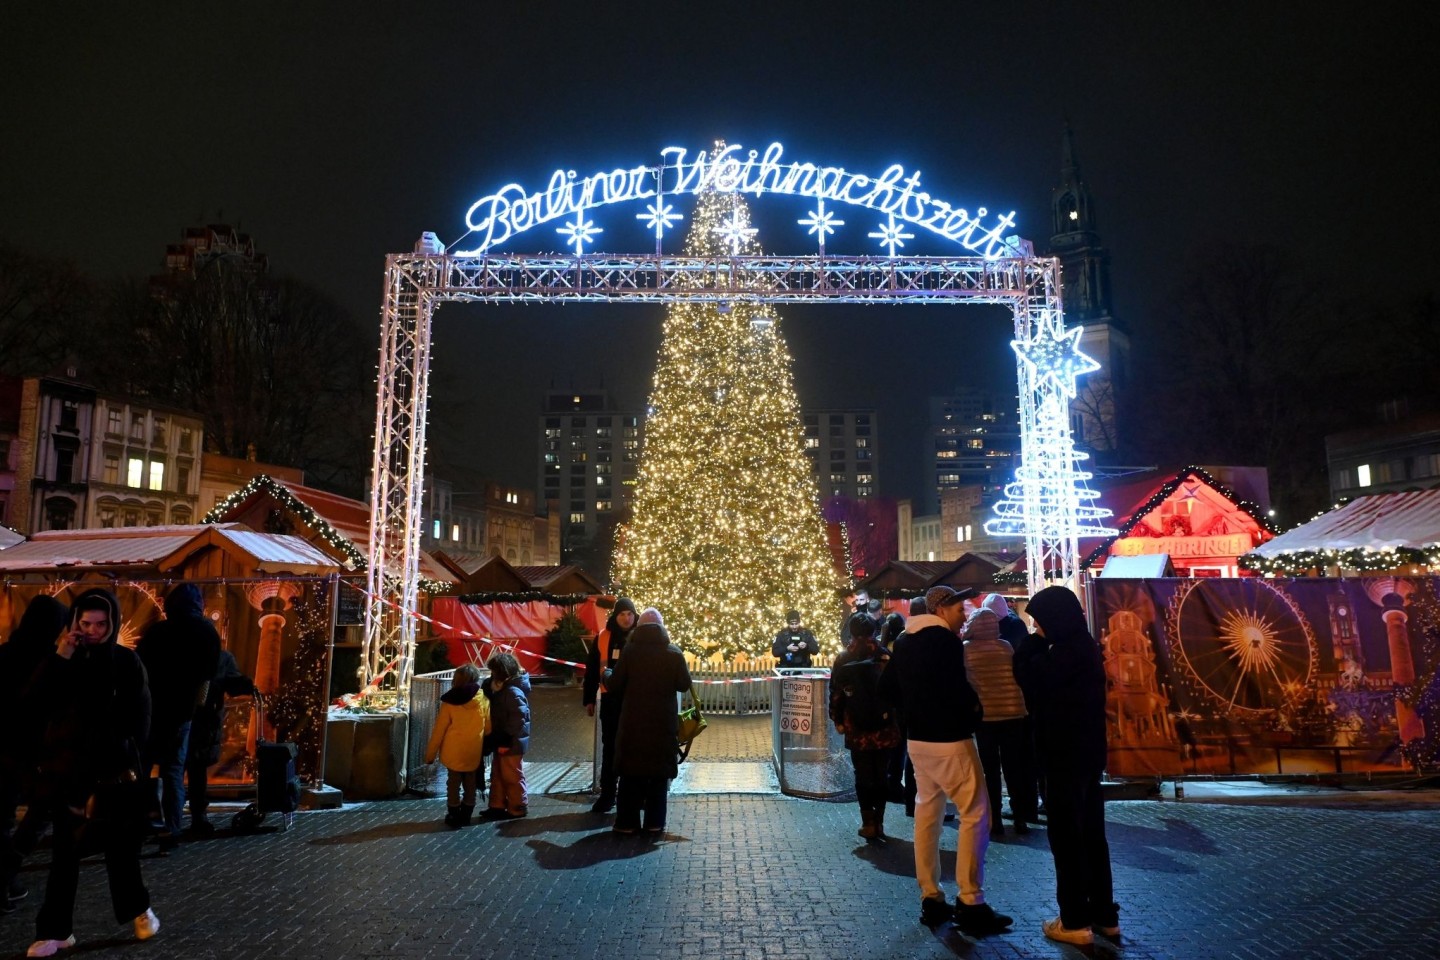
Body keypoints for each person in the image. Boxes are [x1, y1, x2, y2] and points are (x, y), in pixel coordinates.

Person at [22, 588, 159, 957]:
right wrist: (61, 655)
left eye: (101, 623)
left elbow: (140, 716)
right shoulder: (65, 658)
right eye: (86, 622)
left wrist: (128, 756)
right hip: (69, 772)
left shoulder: (125, 662)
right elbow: (35, 702)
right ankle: (55, 930)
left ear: (112, 623)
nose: (93, 630)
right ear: (74, 622)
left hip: (112, 772)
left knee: (121, 850)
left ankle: (139, 909)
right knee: (65, 854)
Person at [877, 585, 1012, 935]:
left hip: (918, 742)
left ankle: (931, 896)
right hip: (951, 739)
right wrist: (972, 711)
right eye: (957, 610)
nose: (963, 615)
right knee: (976, 814)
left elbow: (886, 690)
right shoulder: (945, 642)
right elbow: (958, 690)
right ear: (939, 610)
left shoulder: (904, 642)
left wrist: (910, 711)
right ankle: (971, 900)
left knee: (927, 815)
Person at [1014, 586, 1119, 946]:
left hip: (1062, 758)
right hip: (1088, 757)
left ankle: (1074, 920)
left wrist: (1031, 642)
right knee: (1092, 836)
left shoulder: (1061, 656)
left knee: (1067, 839)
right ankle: (1104, 915)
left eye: (1038, 620)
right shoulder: (1084, 647)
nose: (1036, 626)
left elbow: (1026, 675)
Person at [135, 583, 221, 847]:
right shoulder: (207, 632)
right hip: (182, 712)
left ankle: (138, 826)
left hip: (150, 711)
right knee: (173, 771)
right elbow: (209, 673)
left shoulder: (158, 631)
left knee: (142, 769)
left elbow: (140, 669)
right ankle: (171, 829)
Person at [1, 595, 69, 912]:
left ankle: (6, 880)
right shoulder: (51, 661)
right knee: (42, 810)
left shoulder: (6, 653)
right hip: (30, 749)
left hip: (5, 745)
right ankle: (7, 874)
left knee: (3, 816)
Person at [602, 607, 691, 836]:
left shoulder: (630, 652)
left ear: (639, 627)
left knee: (630, 775)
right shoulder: (673, 652)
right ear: (662, 627)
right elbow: (683, 684)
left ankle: (627, 823)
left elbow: (615, 684)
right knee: (658, 777)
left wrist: (606, 674)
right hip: (663, 725)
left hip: (634, 724)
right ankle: (654, 823)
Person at [962, 596, 1036, 838]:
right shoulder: (1005, 646)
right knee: (1013, 766)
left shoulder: (966, 650)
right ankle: (1020, 817)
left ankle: (995, 820)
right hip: (1014, 713)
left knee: (990, 770)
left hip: (986, 718)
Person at [829, 612, 901, 842]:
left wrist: (838, 721)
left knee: (862, 774)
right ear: (873, 630)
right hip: (884, 727)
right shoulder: (884, 655)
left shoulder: (843, 657)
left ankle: (867, 822)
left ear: (851, 631)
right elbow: (896, 690)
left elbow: (836, 694)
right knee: (882, 774)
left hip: (856, 726)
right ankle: (879, 822)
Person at [185, 648, 254, 836]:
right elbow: (232, 683)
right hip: (202, 721)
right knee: (196, 770)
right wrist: (247, 684)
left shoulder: (166, 645)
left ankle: (166, 820)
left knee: (173, 770)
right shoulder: (217, 655)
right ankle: (198, 818)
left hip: (177, 719)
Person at [582, 597, 637, 813]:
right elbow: (592, 668)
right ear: (616, 616)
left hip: (634, 702)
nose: (626, 618)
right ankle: (607, 795)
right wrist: (588, 699)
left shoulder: (641, 637)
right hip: (610, 701)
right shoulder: (603, 637)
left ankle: (632, 795)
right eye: (622, 614)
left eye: (630, 614)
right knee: (610, 749)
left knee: (633, 749)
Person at [424, 663, 489, 828]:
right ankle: (466, 815)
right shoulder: (483, 700)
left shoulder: (449, 702)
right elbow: (488, 727)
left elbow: (439, 730)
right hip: (473, 751)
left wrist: (430, 755)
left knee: (453, 784)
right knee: (470, 784)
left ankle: (453, 815)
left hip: (453, 751)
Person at [481, 651, 530, 821]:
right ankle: (497, 806)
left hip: (511, 742)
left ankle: (518, 806)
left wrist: (506, 739)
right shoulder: (504, 689)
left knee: (511, 775)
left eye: (493, 671)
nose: (491, 675)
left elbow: (518, 718)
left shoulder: (512, 691)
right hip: (504, 739)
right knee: (498, 773)